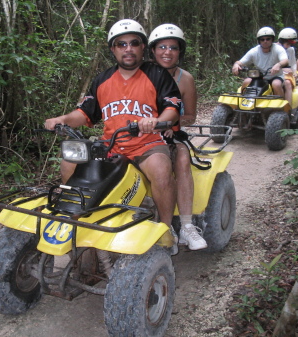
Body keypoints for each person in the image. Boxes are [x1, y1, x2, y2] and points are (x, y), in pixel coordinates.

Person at [44, 19, 181, 252]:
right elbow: (84, 113)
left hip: (147, 143)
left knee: (160, 168)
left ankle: (166, 230)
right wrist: (63, 120)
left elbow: (172, 107)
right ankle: (82, 220)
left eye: (134, 43)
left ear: (142, 47)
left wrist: (156, 121)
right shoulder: (102, 80)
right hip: (112, 145)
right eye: (121, 44)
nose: (128, 48)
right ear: (113, 49)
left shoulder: (157, 74)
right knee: (70, 164)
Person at [148, 23, 207, 250]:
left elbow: (191, 115)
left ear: (179, 51)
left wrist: (171, 123)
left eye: (173, 47)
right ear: (153, 50)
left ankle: (185, 226)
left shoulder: (185, 79)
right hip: (141, 136)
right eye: (162, 47)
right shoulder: (142, 74)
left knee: (182, 159)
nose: (167, 52)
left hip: (171, 134)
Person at [232, 27, 288, 97]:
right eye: (262, 39)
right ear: (259, 41)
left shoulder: (278, 48)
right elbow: (240, 62)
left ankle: (281, 105)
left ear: (272, 39)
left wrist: (279, 64)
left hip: (276, 76)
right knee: (246, 82)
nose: (265, 41)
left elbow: (285, 60)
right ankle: (241, 101)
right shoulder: (254, 51)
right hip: (260, 77)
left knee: (276, 84)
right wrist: (236, 65)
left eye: (268, 39)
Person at [277, 27, 298, 107]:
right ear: (281, 41)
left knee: (287, 83)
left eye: (290, 44)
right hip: (273, 73)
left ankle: (287, 108)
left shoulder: (291, 50)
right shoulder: (273, 48)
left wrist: (295, 72)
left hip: (286, 74)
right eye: (287, 43)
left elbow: (293, 63)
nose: (289, 46)